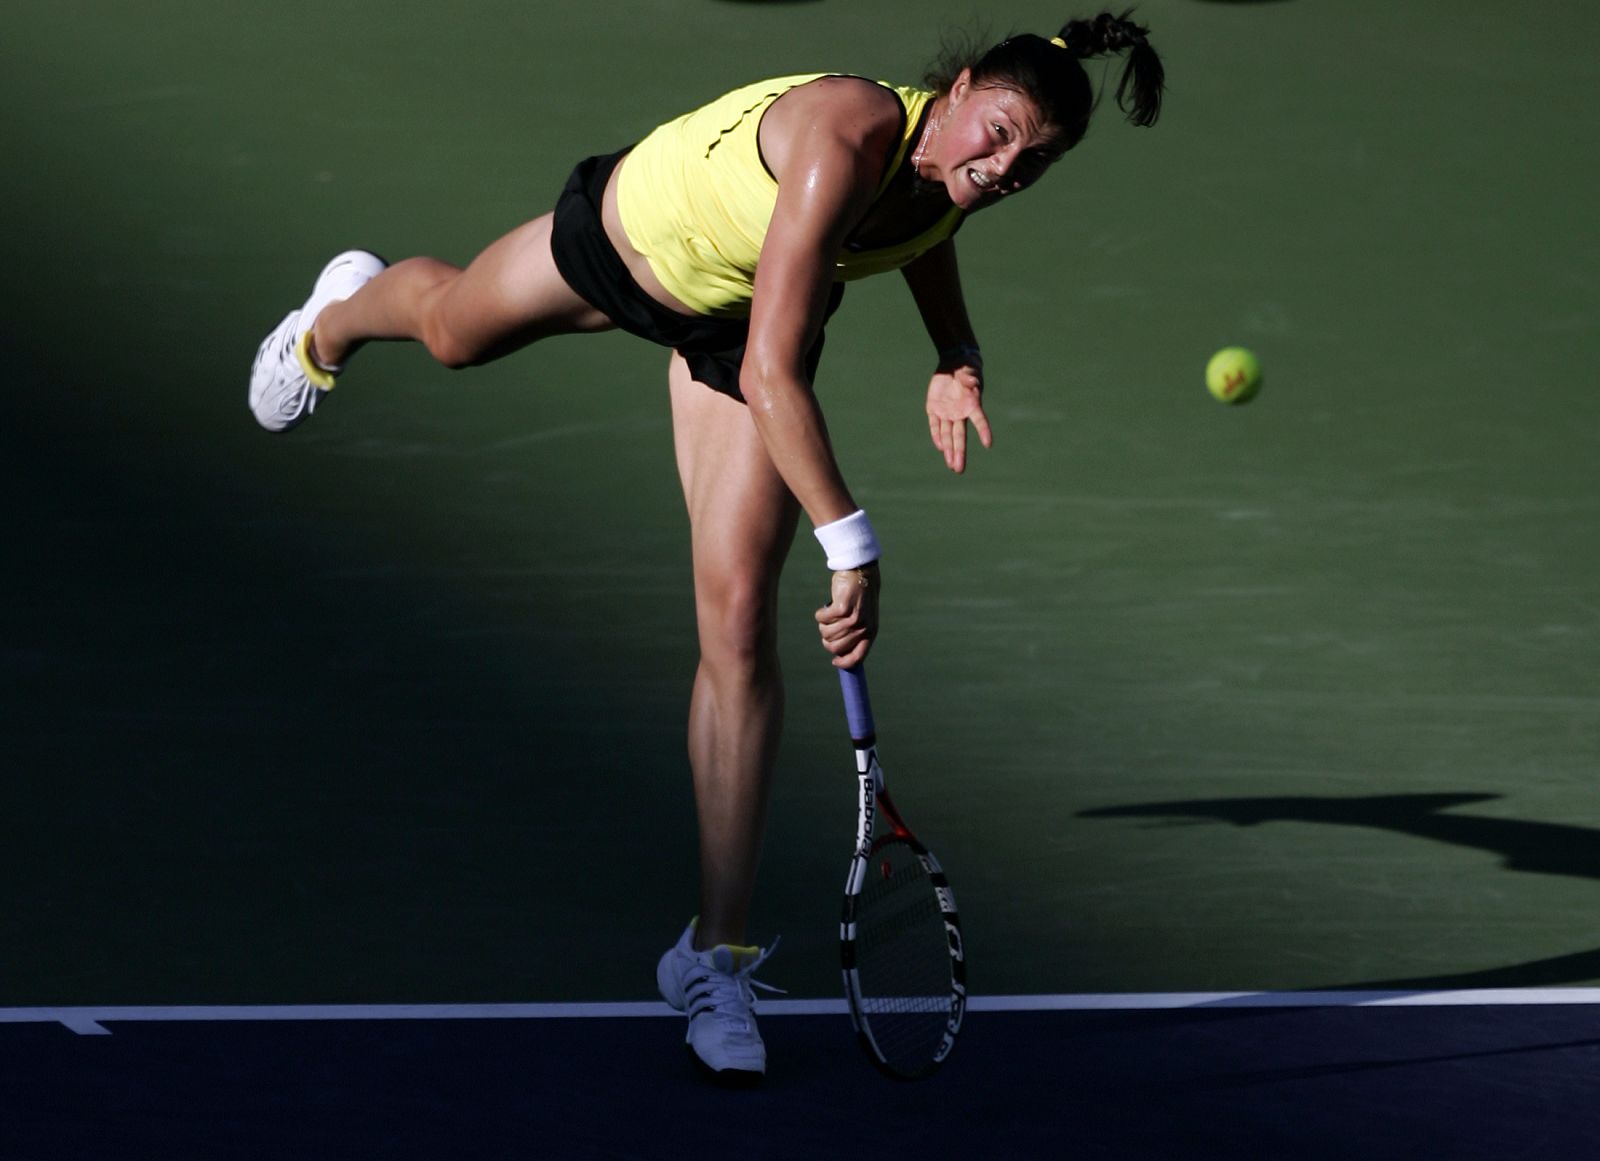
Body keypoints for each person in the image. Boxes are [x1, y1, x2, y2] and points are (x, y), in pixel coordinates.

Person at [248, 12, 1164, 1082]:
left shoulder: (944, 169)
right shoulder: (843, 134)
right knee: (452, 331)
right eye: (996, 133)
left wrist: (953, 353)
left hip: (739, 322)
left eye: (1031, 162)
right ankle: (336, 315)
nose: (1002, 168)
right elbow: (782, 378)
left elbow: (921, 233)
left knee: (734, 623)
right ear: (955, 89)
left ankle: (712, 957)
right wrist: (850, 541)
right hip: (635, 240)